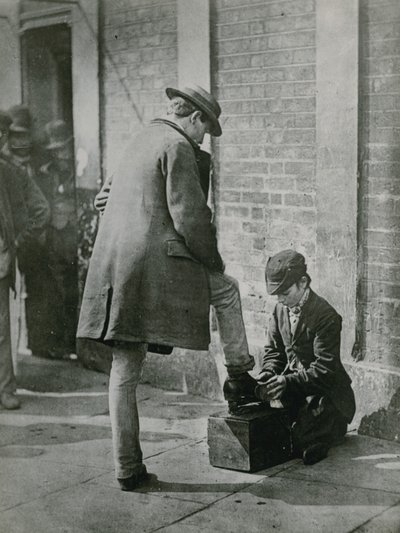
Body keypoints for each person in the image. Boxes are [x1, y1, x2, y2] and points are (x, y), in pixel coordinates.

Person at [77, 85, 256, 490]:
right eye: (206, 129)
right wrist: (213, 260)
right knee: (226, 289)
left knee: (124, 368)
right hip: (156, 267)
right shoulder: (177, 146)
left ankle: (128, 468)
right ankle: (240, 377)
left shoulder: (139, 139)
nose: (204, 138)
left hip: (116, 267)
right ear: (193, 117)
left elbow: (102, 200)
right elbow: (191, 219)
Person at [255, 250, 356, 465]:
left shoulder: (325, 316)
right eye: (276, 294)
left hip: (327, 395)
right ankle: (306, 436)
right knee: (269, 428)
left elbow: (325, 370)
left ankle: (321, 437)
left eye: (285, 292)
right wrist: (268, 372)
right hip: (297, 390)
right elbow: (275, 351)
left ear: (303, 282)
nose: (281, 299)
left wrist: (287, 381)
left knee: (297, 436)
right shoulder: (279, 310)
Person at [0, 110, 49, 409]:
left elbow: (41, 210)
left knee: (1, 328)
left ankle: (5, 389)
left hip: (0, 258)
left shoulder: (10, 172)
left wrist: (16, 242)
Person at [37, 120, 78, 359]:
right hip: (55, 236)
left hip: (75, 235)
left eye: (62, 148)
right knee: (57, 291)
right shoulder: (46, 173)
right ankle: (62, 343)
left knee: (74, 290)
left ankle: (74, 342)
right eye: (55, 150)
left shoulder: (81, 167)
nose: (59, 154)